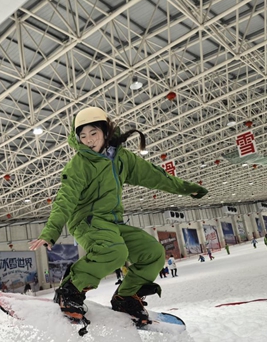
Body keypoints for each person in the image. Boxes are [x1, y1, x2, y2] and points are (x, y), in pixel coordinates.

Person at [28, 106, 208, 326]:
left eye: (93, 133)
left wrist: (186, 188)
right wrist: (50, 232)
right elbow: (65, 199)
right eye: (82, 136)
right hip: (87, 221)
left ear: (105, 131)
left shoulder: (122, 159)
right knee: (115, 252)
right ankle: (70, 290)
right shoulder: (79, 165)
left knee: (153, 252)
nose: (89, 140)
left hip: (113, 222)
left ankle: (125, 296)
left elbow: (155, 176)